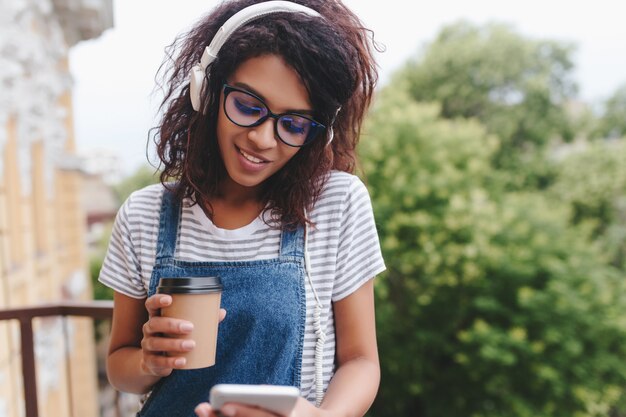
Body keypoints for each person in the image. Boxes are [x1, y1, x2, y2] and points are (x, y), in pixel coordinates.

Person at [99, 1, 385, 416]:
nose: (263, 139)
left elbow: (361, 362)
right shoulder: (143, 215)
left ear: (316, 135)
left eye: (294, 125)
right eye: (249, 107)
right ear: (207, 91)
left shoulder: (337, 204)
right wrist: (148, 360)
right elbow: (118, 367)